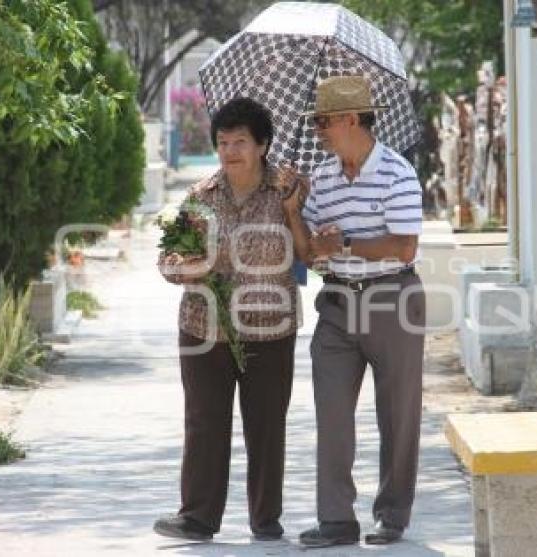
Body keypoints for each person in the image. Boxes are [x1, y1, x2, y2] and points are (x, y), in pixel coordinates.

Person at [279, 75, 426, 547]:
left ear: (349, 119)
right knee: (333, 412)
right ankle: (337, 519)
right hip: (339, 304)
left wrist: (343, 241)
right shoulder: (321, 177)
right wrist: (293, 212)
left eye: (323, 121)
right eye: (316, 122)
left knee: (398, 413)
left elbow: (404, 248)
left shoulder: (398, 172)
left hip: (392, 299)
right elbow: (310, 255)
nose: (318, 130)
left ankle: (393, 514)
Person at [155, 97, 298, 542]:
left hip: (270, 327)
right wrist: (194, 266)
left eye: (240, 141)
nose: (230, 150)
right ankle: (197, 518)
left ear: (263, 145)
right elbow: (168, 258)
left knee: (267, 424)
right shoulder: (200, 196)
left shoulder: (288, 191)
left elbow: (306, 250)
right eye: (222, 141)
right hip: (205, 328)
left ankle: (266, 519)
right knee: (204, 422)